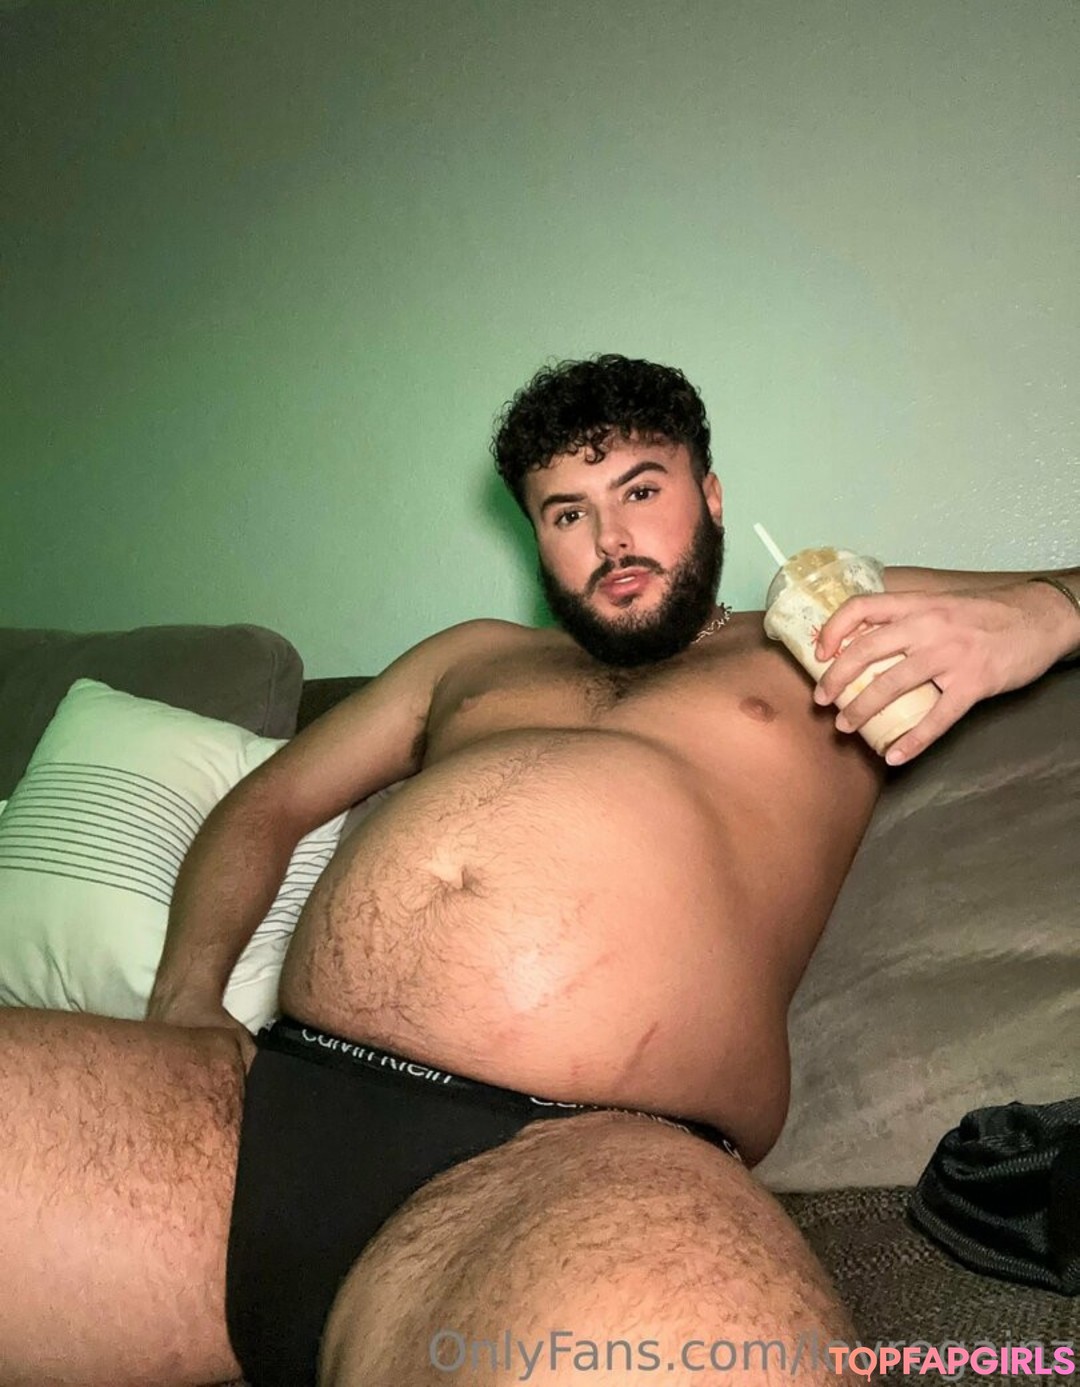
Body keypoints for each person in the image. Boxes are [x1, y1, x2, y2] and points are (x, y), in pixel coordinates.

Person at [2, 355, 1077, 1387]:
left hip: (582, 1170)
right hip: (252, 1120)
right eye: (567, 513)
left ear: (709, 496)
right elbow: (265, 805)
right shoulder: (468, 656)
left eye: (641, 490)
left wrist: (1043, 612)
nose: (611, 538)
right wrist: (186, 1000)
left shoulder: (829, 633)